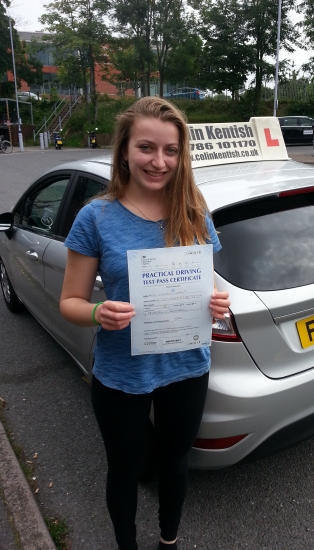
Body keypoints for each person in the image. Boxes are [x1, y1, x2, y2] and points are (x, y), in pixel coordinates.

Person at [60, 96, 230, 550]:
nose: (158, 162)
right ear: (124, 152)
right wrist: (99, 312)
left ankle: (169, 541)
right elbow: (71, 301)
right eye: (146, 148)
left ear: (181, 154)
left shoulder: (194, 211)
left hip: (187, 366)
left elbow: (209, 286)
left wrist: (217, 304)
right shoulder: (95, 217)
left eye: (170, 150)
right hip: (122, 373)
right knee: (126, 468)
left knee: (176, 462)